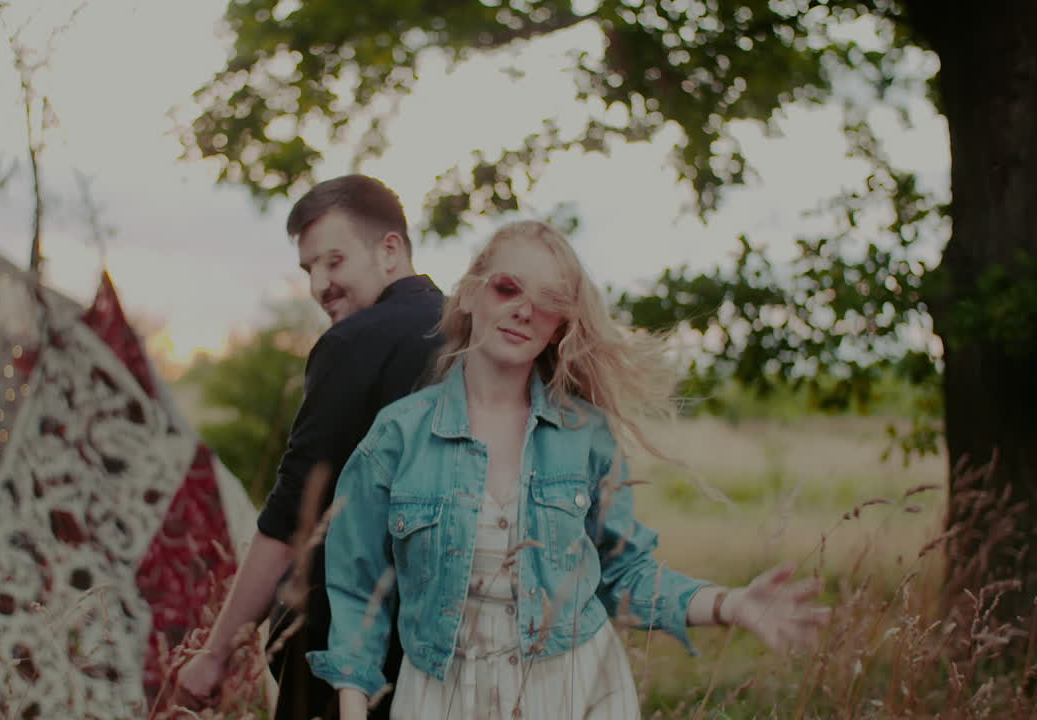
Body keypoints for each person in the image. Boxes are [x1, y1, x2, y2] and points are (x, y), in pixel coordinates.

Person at [307, 220, 829, 719]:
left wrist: (729, 604)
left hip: (576, 692)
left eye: (549, 302)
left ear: (560, 327)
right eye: (508, 288)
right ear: (469, 294)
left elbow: (626, 574)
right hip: (440, 699)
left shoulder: (585, 437)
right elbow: (356, 594)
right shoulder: (397, 436)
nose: (523, 311)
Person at [175, 174, 445, 720]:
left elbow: (292, 514)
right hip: (450, 655)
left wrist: (214, 653)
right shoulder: (475, 335)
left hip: (341, 662)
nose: (320, 285)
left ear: (390, 250)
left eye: (335, 261)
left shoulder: (352, 343)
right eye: (309, 269)